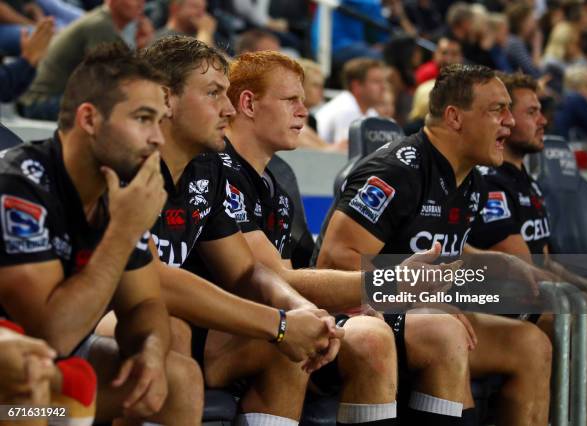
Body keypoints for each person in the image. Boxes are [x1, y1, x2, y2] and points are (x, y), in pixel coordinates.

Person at [315, 64, 554, 426]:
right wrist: (420, 297)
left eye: (509, 109)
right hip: (356, 317)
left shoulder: (469, 178)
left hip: (419, 316)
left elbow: (439, 247)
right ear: (455, 117)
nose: (509, 121)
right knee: (447, 331)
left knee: (531, 344)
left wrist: (494, 262)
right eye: (496, 110)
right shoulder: (396, 171)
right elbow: (335, 261)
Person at [137, 36, 342, 426]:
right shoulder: (129, 162)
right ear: (166, 99)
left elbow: (248, 271)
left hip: (188, 321)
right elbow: (150, 280)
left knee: (303, 346)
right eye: (215, 93)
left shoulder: (213, 170)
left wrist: (299, 312)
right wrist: (392, 282)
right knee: (167, 328)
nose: (227, 108)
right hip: (104, 314)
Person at [0, 43, 202, 425]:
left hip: (48, 367)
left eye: (160, 122)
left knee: (177, 380)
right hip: (19, 374)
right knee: (30, 376)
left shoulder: (114, 192)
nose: (158, 138)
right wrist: (124, 230)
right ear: (89, 119)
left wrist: (151, 352)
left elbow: (144, 304)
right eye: (143, 118)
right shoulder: (18, 185)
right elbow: (52, 333)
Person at [219, 49, 412, 426]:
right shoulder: (219, 169)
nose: (304, 113)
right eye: (291, 100)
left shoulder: (274, 183)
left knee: (371, 336)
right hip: (216, 328)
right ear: (248, 103)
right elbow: (276, 279)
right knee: (295, 336)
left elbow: (287, 280)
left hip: (259, 318)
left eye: (304, 101)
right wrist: (389, 282)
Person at [469, 72, 587, 426]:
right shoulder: (491, 181)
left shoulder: (528, 182)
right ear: (506, 119)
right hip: (501, 302)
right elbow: (523, 269)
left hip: (535, 294)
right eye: (532, 112)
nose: (543, 120)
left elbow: (547, 262)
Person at [18, 0, 154, 120]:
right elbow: (113, 81)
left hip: (44, 100)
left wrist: (142, 47)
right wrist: (145, 51)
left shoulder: (106, 23)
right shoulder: (100, 25)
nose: (140, 3)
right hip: (41, 103)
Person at [316, 58, 386, 148]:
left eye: (383, 81)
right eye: (376, 82)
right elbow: (346, 153)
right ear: (356, 86)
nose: (383, 87)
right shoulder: (345, 109)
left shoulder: (371, 112)